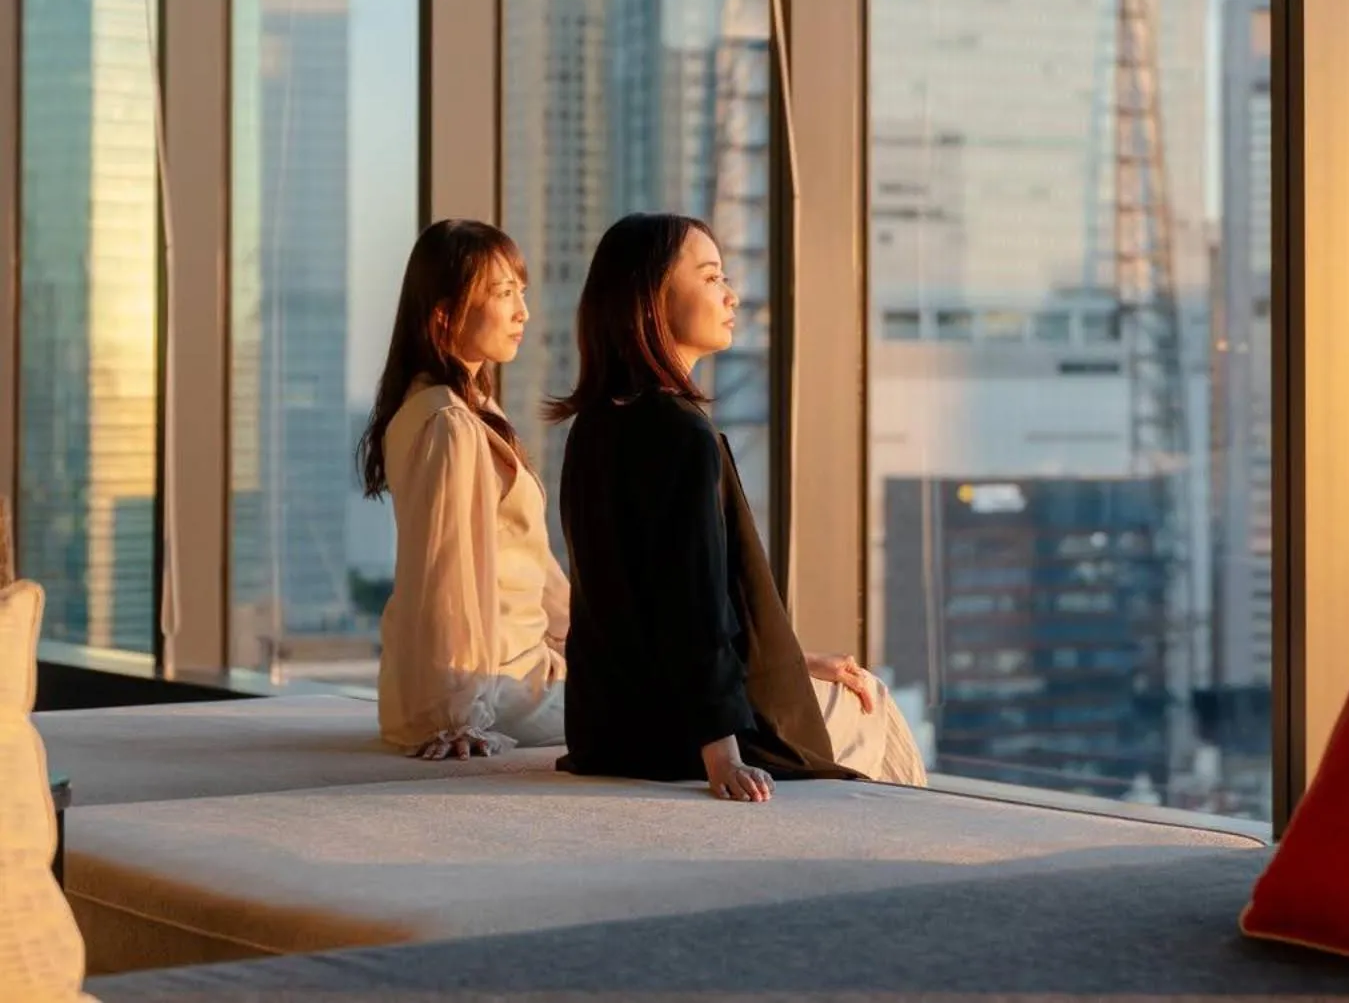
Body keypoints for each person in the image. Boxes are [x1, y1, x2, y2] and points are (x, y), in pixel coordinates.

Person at [549, 212, 927, 801]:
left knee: (842, 691)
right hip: (679, 734)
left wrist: (791, 659)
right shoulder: (680, 433)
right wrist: (722, 756)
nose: (732, 295)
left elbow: (645, 603)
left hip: (612, 726)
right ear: (653, 298)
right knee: (874, 708)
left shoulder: (596, 425)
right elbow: (690, 604)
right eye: (711, 277)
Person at [358, 219, 569, 760]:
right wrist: (456, 717)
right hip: (496, 687)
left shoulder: (463, 410)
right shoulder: (449, 424)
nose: (522, 311)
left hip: (513, 673)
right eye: (503, 294)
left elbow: (526, 564)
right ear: (444, 315)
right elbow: (446, 576)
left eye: (521, 292)